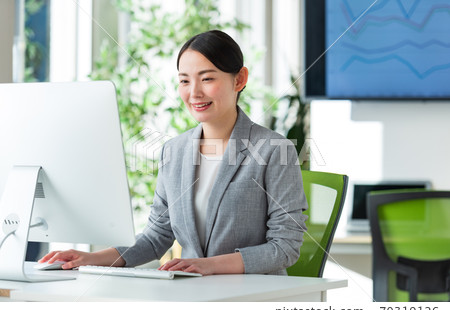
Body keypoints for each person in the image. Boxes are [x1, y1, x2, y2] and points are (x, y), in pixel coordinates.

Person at [39, 30, 308, 275]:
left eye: (207, 78)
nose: (194, 93)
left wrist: (209, 266)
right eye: (184, 81)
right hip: (192, 293)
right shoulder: (174, 151)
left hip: (255, 295)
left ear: (239, 79)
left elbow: (285, 247)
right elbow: (157, 236)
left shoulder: (274, 150)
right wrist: (91, 258)